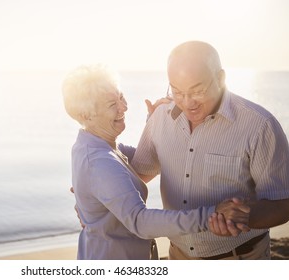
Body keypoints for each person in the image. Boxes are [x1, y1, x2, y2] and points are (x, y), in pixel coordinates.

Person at [62, 63, 250, 260]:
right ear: (85, 115)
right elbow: (141, 222)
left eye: (121, 97)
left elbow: (151, 158)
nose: (124, 107)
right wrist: (211, 215)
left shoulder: (98, 145)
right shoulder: (99, 161)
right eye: (112, 105)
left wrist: (156, 122)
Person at [131, 41, 289, 260]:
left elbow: (282, 203)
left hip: (239, 259)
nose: (187, 103)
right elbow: (140, 173)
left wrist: (242, 216)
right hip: (178, 257)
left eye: (197, 91)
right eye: (177, 91)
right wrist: (93, 188)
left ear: (221, 78)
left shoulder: (260, 126)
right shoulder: (159, 119)